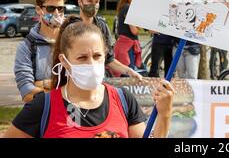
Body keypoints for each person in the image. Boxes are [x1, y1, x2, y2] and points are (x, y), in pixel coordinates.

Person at [4, 16, 174, 138]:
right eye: (82, 58)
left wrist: (164, 114)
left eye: (97, 56)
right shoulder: (42, 106)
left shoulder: (124, 100)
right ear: (64, 61)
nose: (92, 64)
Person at [14, 0, 66, 103]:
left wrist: (43, 83)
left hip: (72, 115)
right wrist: (63, 88)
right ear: (38, 10)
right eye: (51, 8)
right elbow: (27, 93)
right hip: (42, 115)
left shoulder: (72, 40)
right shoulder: (26, 47)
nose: (57, 13)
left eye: (61, 8)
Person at [78, 0, 142, 80]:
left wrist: (129, 71)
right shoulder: (71, 26)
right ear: (80, 2)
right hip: (77, 78)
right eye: (89, 1)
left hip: (97, 79)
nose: (94, 5)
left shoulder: (102, 26)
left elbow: (109, 60)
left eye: (96, 2)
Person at [113, 0, 143, 77]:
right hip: (127, 46)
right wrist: (139, 27)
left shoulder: (123, 7)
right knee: (129, 74)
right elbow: (134, 31)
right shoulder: (128, 7)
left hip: (123, 44)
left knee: (124, 73)